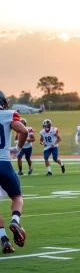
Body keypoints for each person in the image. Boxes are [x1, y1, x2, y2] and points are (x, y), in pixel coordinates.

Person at [0, 90, 27, 254]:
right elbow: (23, 131)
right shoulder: (8, 115)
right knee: (17, 197)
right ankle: (15, 220)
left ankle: (4, 241)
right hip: (3, 163)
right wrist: (17, 148)